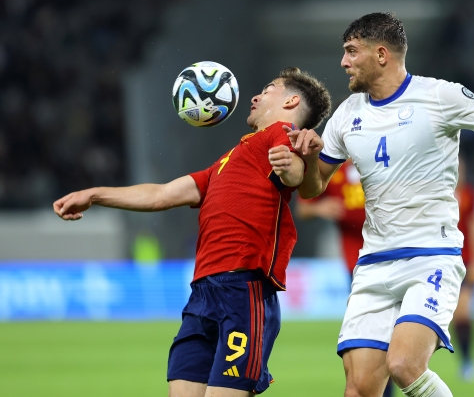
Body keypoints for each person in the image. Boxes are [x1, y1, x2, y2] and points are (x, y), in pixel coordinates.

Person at [285, 12, 474, 397]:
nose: (343, 62)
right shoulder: (347, 114)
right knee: (359, 388)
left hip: (431, 255)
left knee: (404, 365)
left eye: (351, 51)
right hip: (374, 263)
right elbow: (313, 189)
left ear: (381, 54)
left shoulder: (440, 95)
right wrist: (310, 159)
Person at [52, 67, 332, 397]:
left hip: (243, 290)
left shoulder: (281, 133)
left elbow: (296, 175)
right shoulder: (229, 159)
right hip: (203, 294)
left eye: (269, 89)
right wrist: (95, 194)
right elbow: (162, 194)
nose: (256, 96)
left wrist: (292, 167)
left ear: (291, 101)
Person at [295, 160, 396, 397]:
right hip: (358, 265)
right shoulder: (334, 167)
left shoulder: (382, 158)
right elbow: (303, 208)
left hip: (392, 255)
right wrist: (321, 208)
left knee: (383, 335)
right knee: (376, 336)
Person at [452, 157, 474, 383]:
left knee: (462, 312)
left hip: (465, 263)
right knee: (451, 315)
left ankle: (467, 361)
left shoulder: (469, 195)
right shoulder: (434, 193)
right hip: (440, 263)